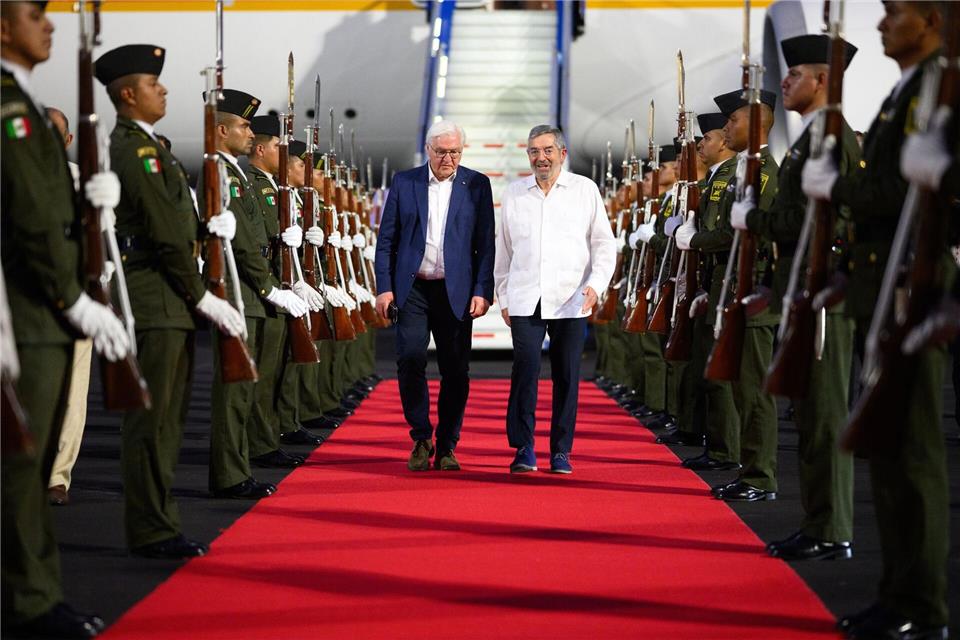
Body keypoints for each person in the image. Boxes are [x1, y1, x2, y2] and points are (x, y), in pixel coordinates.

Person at [801, 2, 949, 637]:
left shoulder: (938, 83)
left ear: (933, 19)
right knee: (888, 450)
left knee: (911, 455)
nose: (883, 24)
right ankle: (899, 594)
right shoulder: (908, 90)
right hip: (880, 285)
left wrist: (836, 188)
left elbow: (894, 192)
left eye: (895, 13)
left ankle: (923, 607)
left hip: (912, 288)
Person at [1, 1, 128, 635]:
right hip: (30, 311)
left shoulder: (21, 103)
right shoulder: (11, 109)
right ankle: (29, 602)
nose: (48, 24)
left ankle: (39, 594)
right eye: (34, 14)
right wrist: (73, 297)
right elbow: (29, 216)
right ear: (3, 28)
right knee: (22, 468)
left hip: (43, 310)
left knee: (34, 465)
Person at [96, 43, 248, 557]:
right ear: (127, 95)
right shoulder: (134, 149)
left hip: (170, 297)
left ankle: (161, 522)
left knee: (168, 422)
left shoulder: (151, 146)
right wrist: (201, 293)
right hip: (155, 296)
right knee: (152, 422)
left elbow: (174, 223)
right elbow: (161, 231)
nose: (162, 91)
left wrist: (206, 229)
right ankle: (150, 527)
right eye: (152, 84)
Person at [731, 33, 860, 560]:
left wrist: (754, 220)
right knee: (809, 416)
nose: (784, 83)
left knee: (825, 417)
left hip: (824, 295)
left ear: (823, 80)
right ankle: (818, 523)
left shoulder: (832, 137)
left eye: (795, 74)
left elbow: (815, 221)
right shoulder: (811, 139)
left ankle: (831, 529)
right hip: (800, 290)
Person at [201, 89, 309, 499]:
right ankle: (230, 474)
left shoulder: (236, 174)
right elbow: (244, 241)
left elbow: (256, 236)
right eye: (244, 126)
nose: (250, 133)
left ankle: (240, 464)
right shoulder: (221, 172)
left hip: (251, 286)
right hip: (240, 288)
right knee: (235, 387)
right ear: (222, 129)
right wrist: (269, 286)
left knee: (247, 384)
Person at [374, 119, 495, 472]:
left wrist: (482, 290)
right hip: (412, 289)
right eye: (441, 152)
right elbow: (387, 240)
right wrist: (384, 287)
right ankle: (421, 436)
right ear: (428, 149)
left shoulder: (477, 184)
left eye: (455, 152)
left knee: (455, 370)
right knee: (410, 358)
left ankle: (447, 445)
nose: (448, 159)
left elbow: (485, 243)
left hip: (455, 290)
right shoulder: (405, 182)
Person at [495, 124, 616, 474]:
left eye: (548, 150)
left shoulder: (584, 189)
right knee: (525, 370)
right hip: (525, 297)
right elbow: (503, 250)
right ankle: (523, 447)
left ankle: (561, 450)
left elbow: (603, 243)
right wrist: (503, 295)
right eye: (534, 151)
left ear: (562, 153)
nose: (541, 157)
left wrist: (596, 285)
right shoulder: (515, 193)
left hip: (571, 297)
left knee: (567, 375)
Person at [44, 106, 92, 507]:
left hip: (75, 298)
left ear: (68, 141)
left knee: (72, 392)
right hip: (22, 299)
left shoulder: (83, 183)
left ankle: (57, 476)